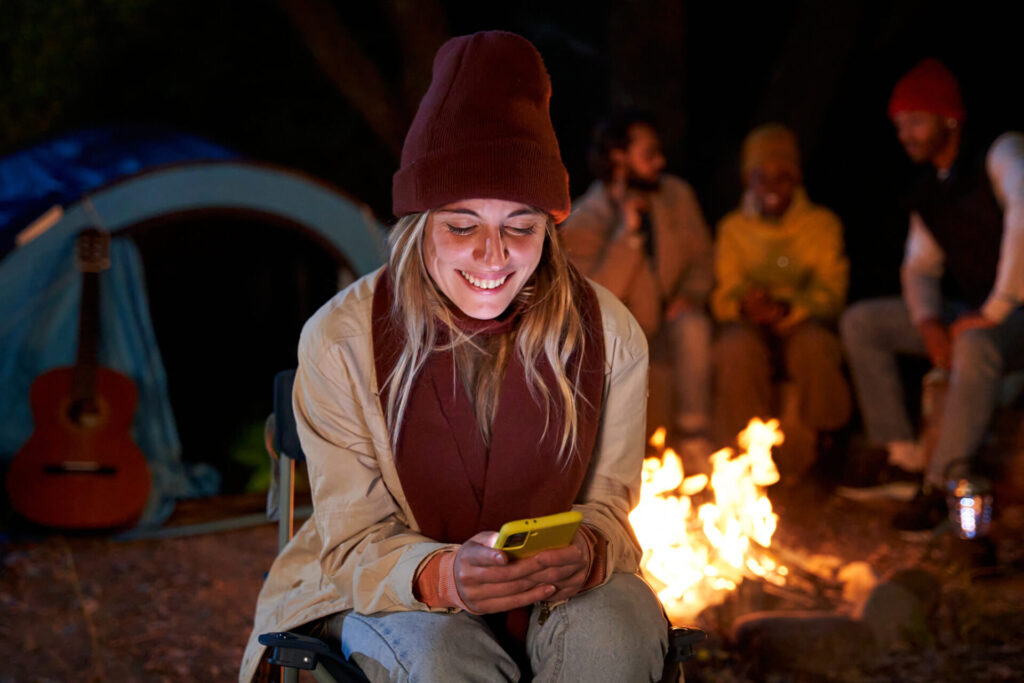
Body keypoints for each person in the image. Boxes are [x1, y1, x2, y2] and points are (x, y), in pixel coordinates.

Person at [239, 31, 667, 683]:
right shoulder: (340, 338)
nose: (493, 256)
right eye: (462, 225)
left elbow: (609, 503)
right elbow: (352, 540)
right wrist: (442, 574)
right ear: (418, 224)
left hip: (557, 593)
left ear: (549, 229)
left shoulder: (609, 332)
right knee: (442, 658)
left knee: (611, 639)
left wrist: (587, 548)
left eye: (520, 226)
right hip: (389, 586)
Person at [840, 58, 1024, 531]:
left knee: (974, 343)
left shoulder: (1001, 152)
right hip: (976, 309)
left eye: (916, 121)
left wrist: (995, 310)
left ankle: (940, 484)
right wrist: (927, 322)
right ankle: (902, 459)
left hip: (1014, 309)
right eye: (900, 125)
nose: (906, 134)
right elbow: (919, 266)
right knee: (864, 322)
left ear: (950, 118)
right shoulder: (928, 189)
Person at [559, 111, 714, 458]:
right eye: (649, 153)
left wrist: (691, 293)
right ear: (618, 156)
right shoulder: (583, 220)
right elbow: (596, 297)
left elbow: (703, 259)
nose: (660, 161)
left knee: (693, 326)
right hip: (627, 333)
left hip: (673, 323)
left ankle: (695, 440)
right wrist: (627, 236)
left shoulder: (677, 196)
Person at [710, 123, 851, 460]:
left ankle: (827, 446)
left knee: (813, 345)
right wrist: (748, 306)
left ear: (796, 177)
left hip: (802, 321)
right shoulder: (732, 229)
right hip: (753, 326)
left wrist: (788, 309)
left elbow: (831, 291)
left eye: (781, 176)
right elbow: (723, 293)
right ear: (748, 180)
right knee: (735, 348)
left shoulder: (821, 224)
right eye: (761, 176)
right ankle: (747, 454)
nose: (771, 187)